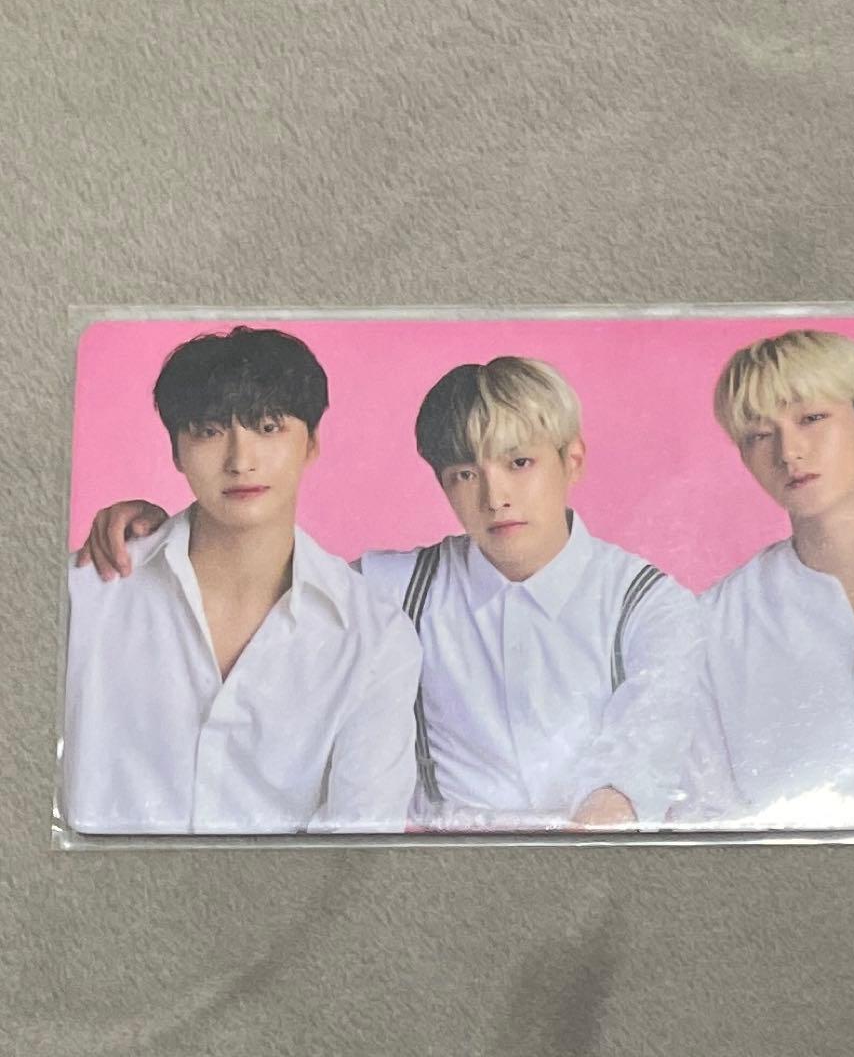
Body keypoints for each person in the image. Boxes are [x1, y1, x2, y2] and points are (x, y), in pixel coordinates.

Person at [77, 355, 707, 831]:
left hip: (594, 880)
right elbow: (265, 572)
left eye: (519, 463)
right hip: (436, 885)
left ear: (572, 460)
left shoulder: (651, 605)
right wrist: (158, 531)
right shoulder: (395, 589)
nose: (495, 497)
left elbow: (638, 765)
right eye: (465, 473)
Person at [63, 327, 421, 835]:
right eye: (209, 431)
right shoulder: (84, 595)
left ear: (311, 443)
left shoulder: (375, 637)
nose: (240, 461)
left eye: (268, 427)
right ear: (176, 451)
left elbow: (358, 847)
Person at [686, 329, 854, 829]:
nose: (789, 452)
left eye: (811, 418)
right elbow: (708, 813)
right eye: (759, 435)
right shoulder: (713, 624)